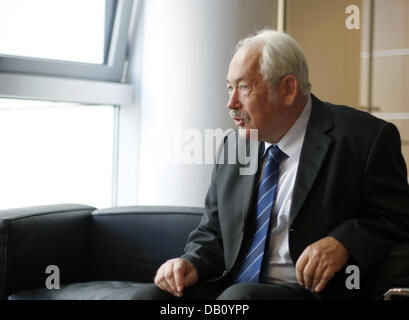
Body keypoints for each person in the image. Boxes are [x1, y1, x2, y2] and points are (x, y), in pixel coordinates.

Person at [138, 30, 409, 300]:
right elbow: (213, 232)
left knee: (239, 299)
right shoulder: (234, 146)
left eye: (244, 88)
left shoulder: (364, 139)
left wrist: (343, 242)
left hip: (312, 293)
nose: (230, 103)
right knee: (149, 298)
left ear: (288, 89)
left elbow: (396, 218)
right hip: (232, 287)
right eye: (230, 87)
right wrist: (190, 262)